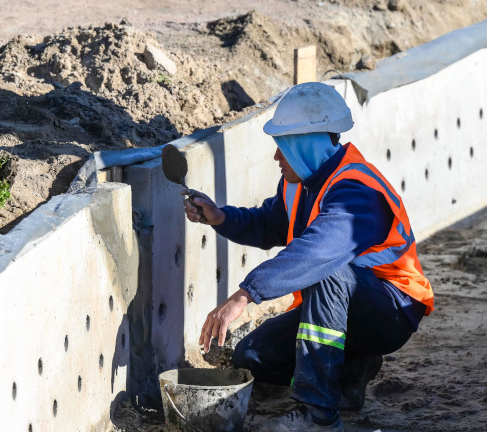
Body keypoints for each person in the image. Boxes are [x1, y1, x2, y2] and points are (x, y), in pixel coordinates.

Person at [182, 82, 433, 432]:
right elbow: (270, 222)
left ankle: (318, 416)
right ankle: (352, 370)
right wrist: (220, 217)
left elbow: (317, 253)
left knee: (324, 269)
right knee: (252, 356)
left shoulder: (357, 191)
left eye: (282, 147)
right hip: (346, 303)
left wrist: (244, 295)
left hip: (391, 310)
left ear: (305, 144)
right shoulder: (300, 180)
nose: (276, 157)